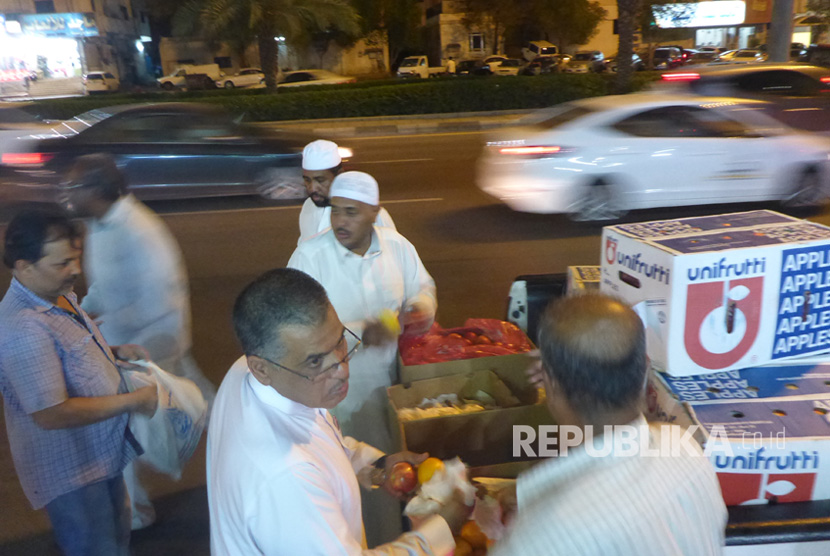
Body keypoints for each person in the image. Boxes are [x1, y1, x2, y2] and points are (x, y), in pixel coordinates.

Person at [207, 268, 468, 554]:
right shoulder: (285, 476)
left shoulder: (247, 373)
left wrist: (377, 464)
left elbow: (320, 438)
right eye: (315, 362)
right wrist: (443, 528)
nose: (341, 370)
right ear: (261, 369)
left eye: (340, 342)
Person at [489, 293, 727, 556]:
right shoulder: (685, 448)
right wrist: (536, 497)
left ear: (550, 384)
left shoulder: (537, 541)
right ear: (645, 373)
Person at [61, 153, 216, 529]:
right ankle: (235, 432)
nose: (67, 194)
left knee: (122, 421)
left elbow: (160, 297)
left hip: (155, 340)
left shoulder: (140, 229)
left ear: (97, 189)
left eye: (74, 188)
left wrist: (103, 332)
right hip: (122, 339)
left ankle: (135, 509)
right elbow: (106, 283)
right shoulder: (99, 224)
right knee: (196, 404)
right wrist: (85, 310)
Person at [288, 170, 437, 546]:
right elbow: (292, 328)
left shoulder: (397, 247)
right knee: (342, 491)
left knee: (387, 482)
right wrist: (358, 331)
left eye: (352, 212)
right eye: (336, 211)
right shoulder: (310, 257)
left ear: (375, 211)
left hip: (387, 393)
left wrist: (421, 308)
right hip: (333, 399)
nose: (340, 221)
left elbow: (423, 287)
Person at [0, 207, 158, 556]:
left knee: (115, 542)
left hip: (99, 457)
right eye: (61, 264)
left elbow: (70, 352)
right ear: (24, 266)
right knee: (95, 548)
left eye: (75, 259)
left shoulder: (55, 296)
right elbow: (50, 413)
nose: (74, 271)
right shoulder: (23, 327)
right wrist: (134, 401)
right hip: (75, 473)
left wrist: (113, 353)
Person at [299, 139, 396, 244]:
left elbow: (393, 252)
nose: (312, 188)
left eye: (320, 180)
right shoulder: (308, 207)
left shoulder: (367, 210)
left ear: (339, 174)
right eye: (307, 180)